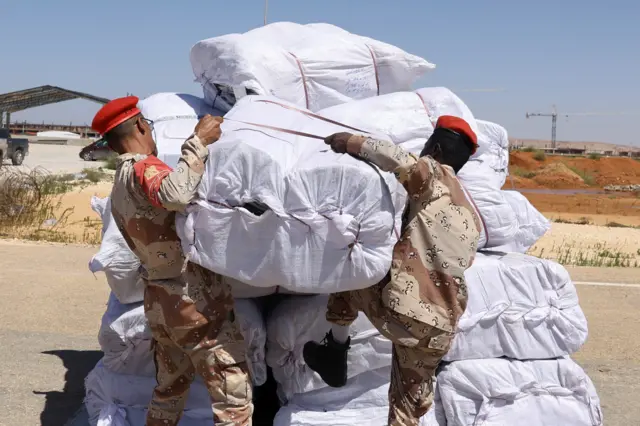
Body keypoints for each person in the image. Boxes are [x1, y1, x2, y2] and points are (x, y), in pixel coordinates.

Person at [302, 116, 481, 426]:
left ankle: (336, 349)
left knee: (351, 263)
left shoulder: (433, 175)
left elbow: (397, 159)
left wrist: (350, 141)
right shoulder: (468, 211)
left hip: (406, 310)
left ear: (435, 148)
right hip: (441, 327)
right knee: (406, 410)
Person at [91, 96, 253, 426]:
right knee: (232, 394)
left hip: (161, 301)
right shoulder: (143, 167)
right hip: (192, 299)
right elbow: (176, 194)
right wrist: (198, 142)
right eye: (148, 127)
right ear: (139, 127)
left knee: (169, 390)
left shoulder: (121, 179)